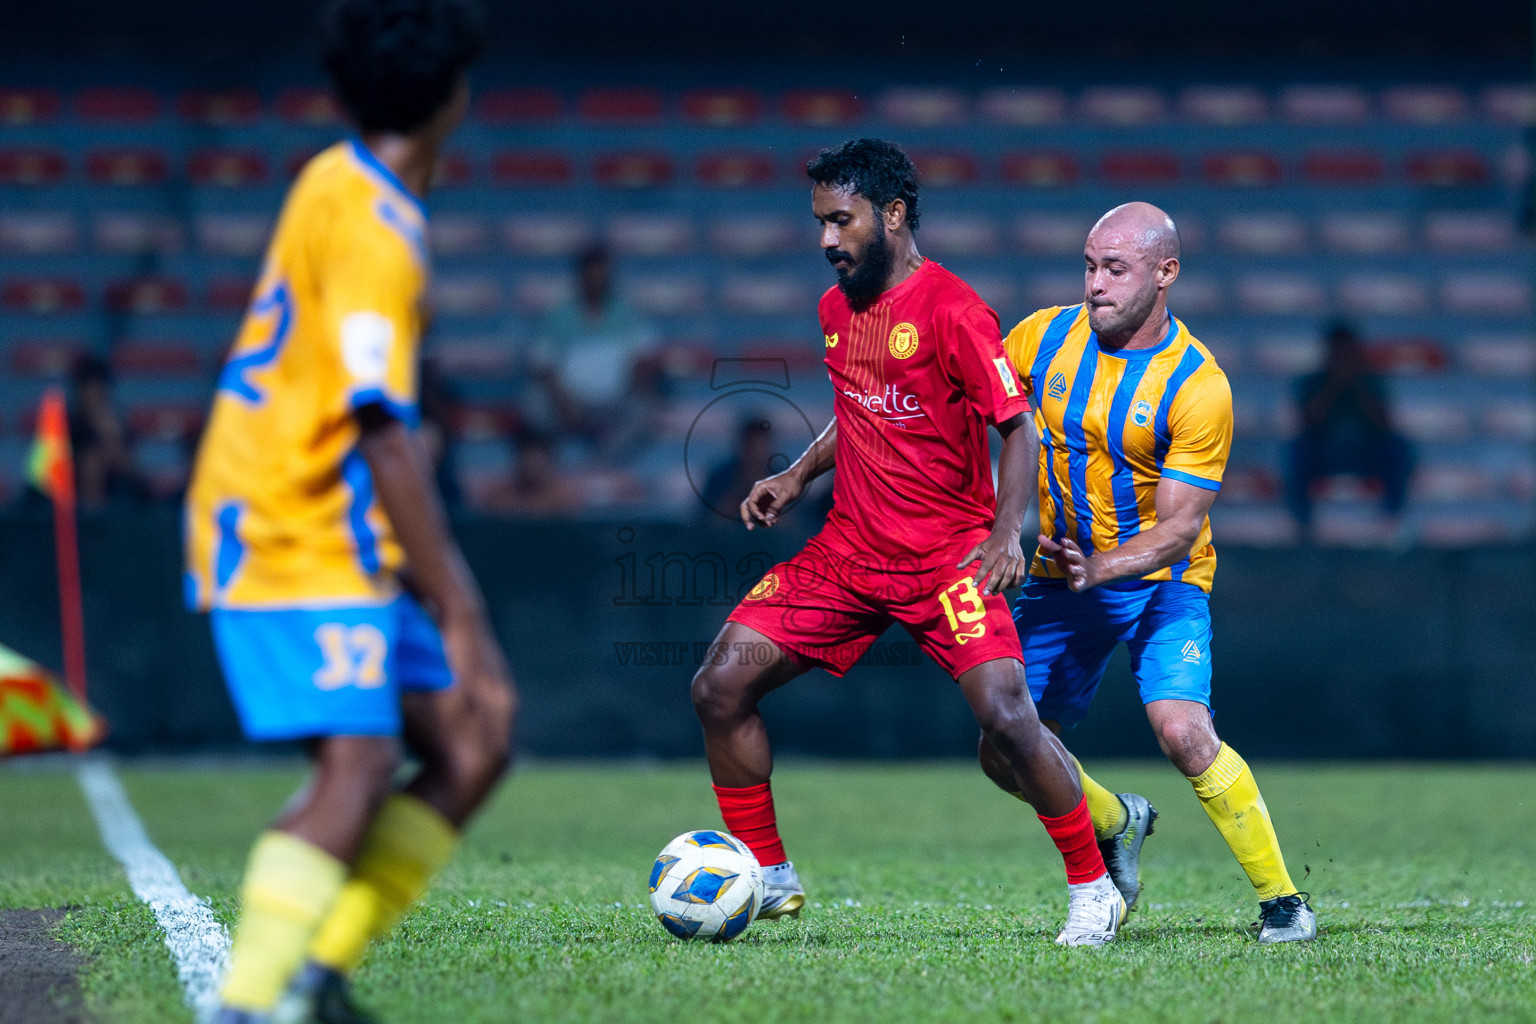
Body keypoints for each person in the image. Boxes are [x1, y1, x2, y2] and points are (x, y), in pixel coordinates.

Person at [690, 138, 1126, 947]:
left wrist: (1006, 531)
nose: (827, 239)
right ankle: (768, 872)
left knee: (1006, 717)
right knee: (719, 686)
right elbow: (859, 406)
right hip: (849, 551)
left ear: (892, 214)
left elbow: (1019, 428)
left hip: (947, 557)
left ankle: (1094, 886)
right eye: (820, 222)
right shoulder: (836, 309)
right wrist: (797, 473)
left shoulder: (955, 311)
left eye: (841, 220)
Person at [183, 2, 517, 1021]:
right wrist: (458, 603)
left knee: (476, 738)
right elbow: (381, 425)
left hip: (337, 528)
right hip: (286, 522)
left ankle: (315, 979)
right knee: (361, 760)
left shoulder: (333, 177)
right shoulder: (377, 228)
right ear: (452, 97)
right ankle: (248, 1004)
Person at [987, 202, 1316, 943]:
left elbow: (1178, 531)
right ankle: (1114, 820)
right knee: (1003, 745)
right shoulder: (1042, 338)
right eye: (1089, 266)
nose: (1095, 284)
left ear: (1165, 273)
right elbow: (965, 407)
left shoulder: (1198, 384)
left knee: (1183, 732)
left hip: (1160, 580)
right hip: (1061, 576)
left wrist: (1100, 567)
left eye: (1115, 269)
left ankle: (1284, 901)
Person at [526, 244, 660, 457]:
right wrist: (563, 400)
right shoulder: (558, 314)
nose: (597, 281)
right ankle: (560, 457)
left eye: (602, 275)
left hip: (616, 400)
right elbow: (542, 363)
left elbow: (647, 356)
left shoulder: (627, 312)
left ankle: (606, 458)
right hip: (570, 402)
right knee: (534, 403)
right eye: (592, 275)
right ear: (581, 276)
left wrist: (631, 384)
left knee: (646, 408)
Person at [1285, 323, 1415, 541]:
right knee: (1296, 452)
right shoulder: (1312, 382)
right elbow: (1308, 422)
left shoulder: (1370, 381)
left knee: (1398, 450)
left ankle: (1390, 521)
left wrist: (1357, 387)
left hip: (1366, 452)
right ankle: (1303, 526)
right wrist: (1333, 387)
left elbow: (1384, 424)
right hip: (1325, 452)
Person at [68, 354, 148, 510]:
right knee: (91, 464)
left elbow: (130, 467)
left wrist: (110, 435)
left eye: (99, 388)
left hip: (116, 493)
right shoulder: (69, 424)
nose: (94, 394)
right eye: (89, 388)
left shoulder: (116, 422)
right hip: (73, 495)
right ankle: (92, 517)